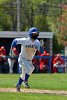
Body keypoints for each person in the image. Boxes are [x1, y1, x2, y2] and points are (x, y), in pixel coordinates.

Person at [10, 27, 41, 92]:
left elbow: (38, 51)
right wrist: (12, 48)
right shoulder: (25, 40)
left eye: (36, 33)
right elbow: (15, 41)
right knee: (31, 68)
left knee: (23, 75)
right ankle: (25, 81)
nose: (36, 34)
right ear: (30, 34)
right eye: (34, 33)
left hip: (29, 60)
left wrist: (40, 49)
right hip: (22, 59)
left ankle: (18, 85)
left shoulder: (37, 42)